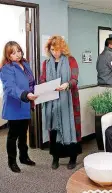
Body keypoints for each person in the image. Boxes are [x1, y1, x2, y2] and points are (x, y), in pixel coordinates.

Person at [40, 35, 82, 170]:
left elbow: (75, 79)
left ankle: (72, 158)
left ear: (62, 48)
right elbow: (42, 79)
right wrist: (45, 86)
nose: (55, 52)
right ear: (49, 49)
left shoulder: (71, 61)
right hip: (52, 103)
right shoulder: (46, 64)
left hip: (68, 101)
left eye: (57, 49)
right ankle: (55, 158)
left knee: (71, 127)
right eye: (52, 49)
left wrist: (67, 85)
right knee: (54, 129)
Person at [0, 41, 37, 173]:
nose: (17, 54)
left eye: (19, 51)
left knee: (23, 134)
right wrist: (25, 94)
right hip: (14, 106)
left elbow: (31, 82)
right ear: (8, 55)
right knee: (13, 135)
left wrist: (36, 92)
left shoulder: (25, 64)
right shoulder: (6, 68)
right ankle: (12, 161)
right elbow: (10, 88)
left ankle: (24, 157)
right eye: (13, 53)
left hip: (26, 104)